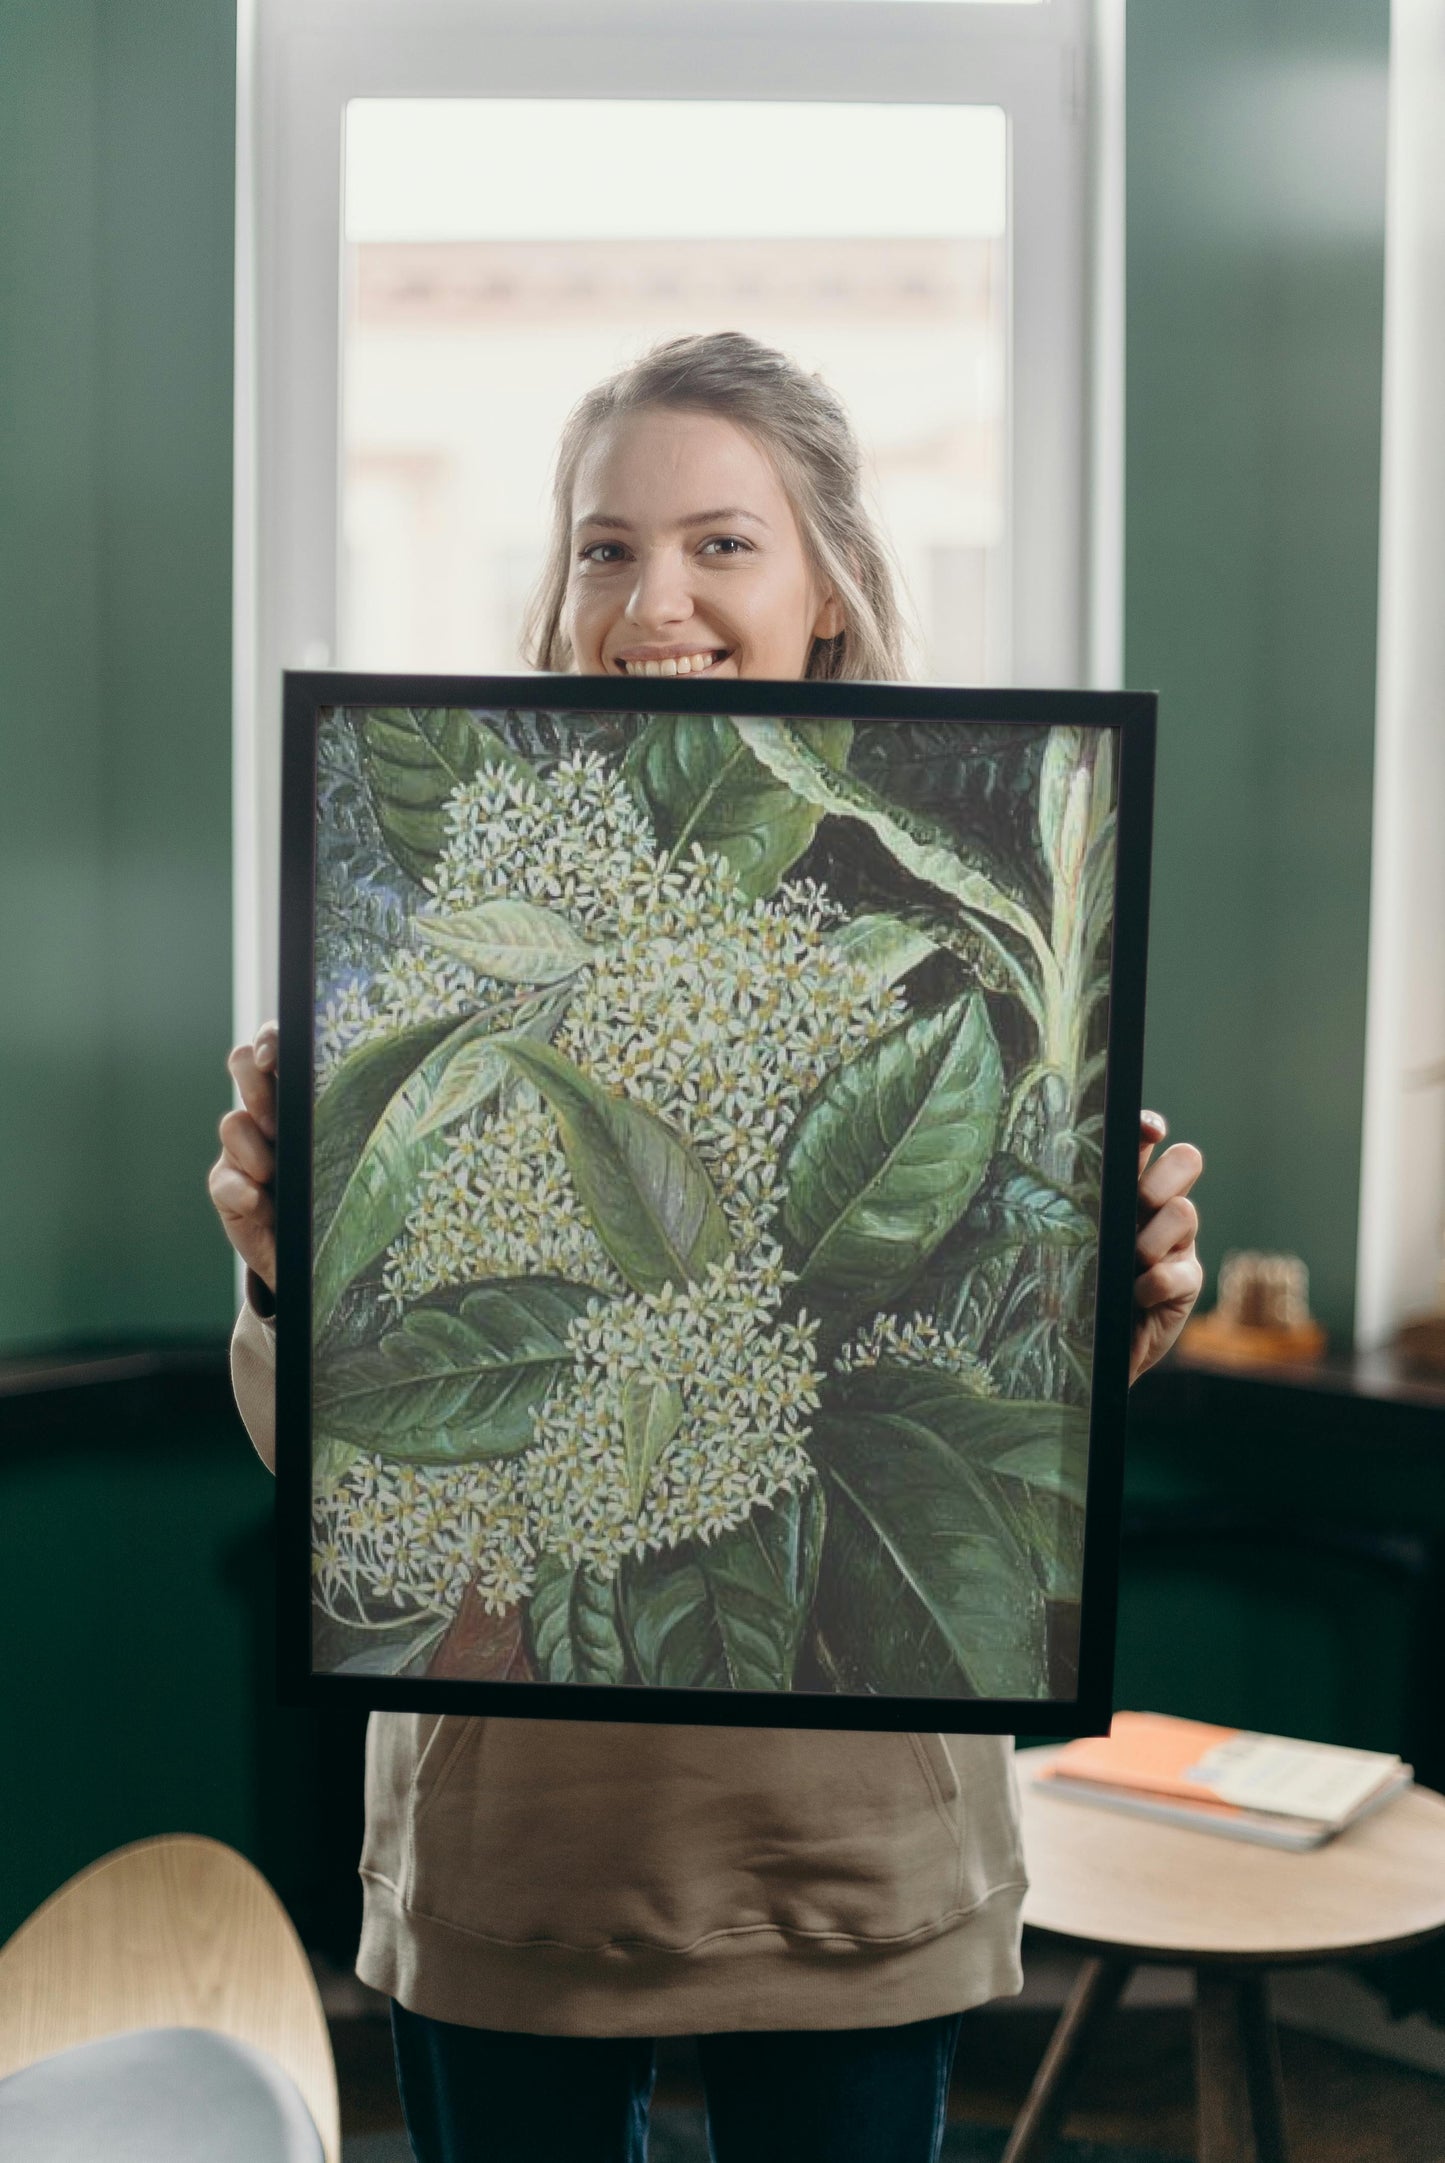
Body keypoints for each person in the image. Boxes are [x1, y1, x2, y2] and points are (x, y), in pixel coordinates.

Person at [211, 332, 1204, 2163]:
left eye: (719, 544)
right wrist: (286, 1271)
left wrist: (1110, 1303)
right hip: (517, 1847)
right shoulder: (441, 928)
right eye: (603, 546)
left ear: (828, 585)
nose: (650, 598)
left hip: (848, 1848)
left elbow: (1007, 1395)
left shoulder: (952, 933)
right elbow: (344, 1457)